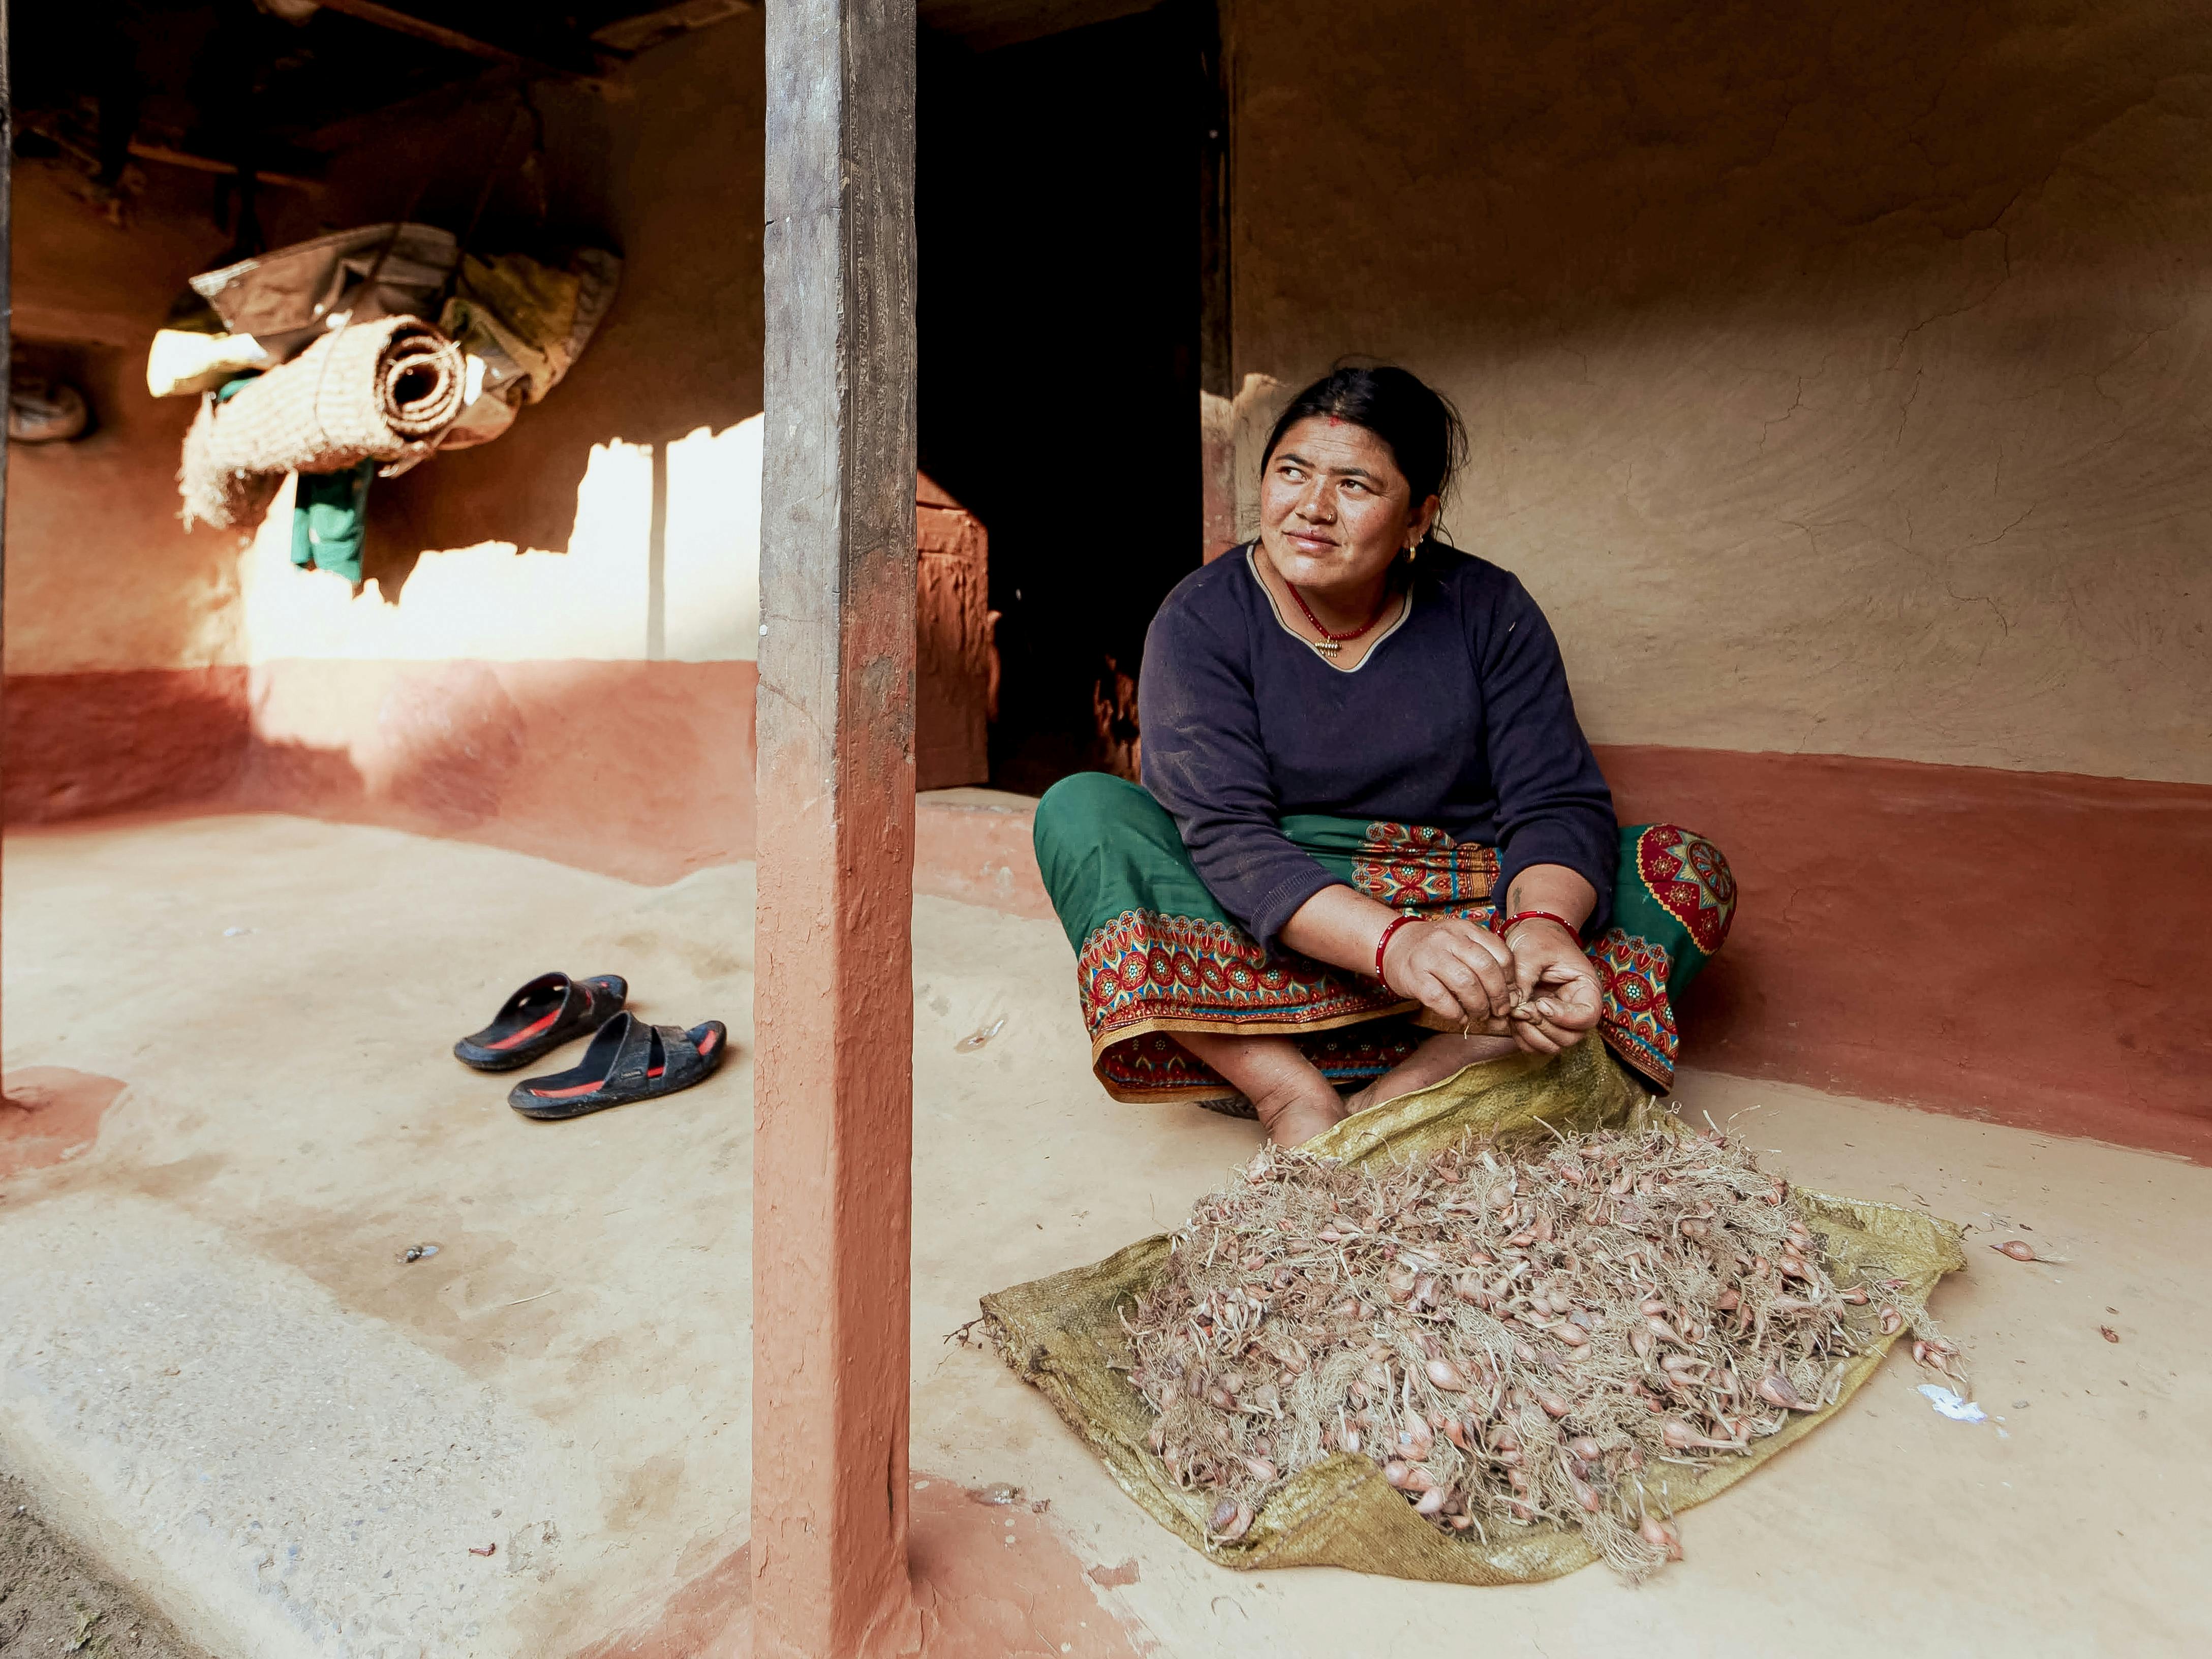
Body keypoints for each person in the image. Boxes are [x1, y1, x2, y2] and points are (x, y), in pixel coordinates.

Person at [1033, 365, 1737, 1146]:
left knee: (1680, 870)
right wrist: (1392, 942)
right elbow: (1228, 836)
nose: (1311, 507)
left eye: (1356, 485)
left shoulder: (1488, 609)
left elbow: (1557, 803)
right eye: (1291, 472)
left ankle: (1408, 1089)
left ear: (1418, 518)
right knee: (1081, 812)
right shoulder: (1202, 618)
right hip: (1279, 927)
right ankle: (1286, 1092)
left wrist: (1540, 928)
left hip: (1463, 939)